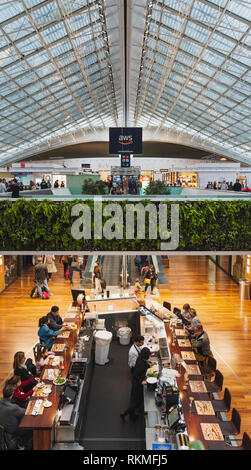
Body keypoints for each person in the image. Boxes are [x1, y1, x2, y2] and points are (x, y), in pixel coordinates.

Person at [120, 347, 151, 420]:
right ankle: (125, 413)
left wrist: (149, 365)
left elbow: (145, 365)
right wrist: (142, 381)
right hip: (137, 385)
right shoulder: (141, 365)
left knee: (137, 400)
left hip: (136, 383)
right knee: (135, 402)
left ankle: (133, 413)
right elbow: (136, 375)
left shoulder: (140, 359)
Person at [0, 384, 33, 450]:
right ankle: (23, 444)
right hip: (12, 430)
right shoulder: (13, 408)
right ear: (12, 394)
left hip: (3, 427)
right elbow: (26, 412)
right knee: (30, 429)